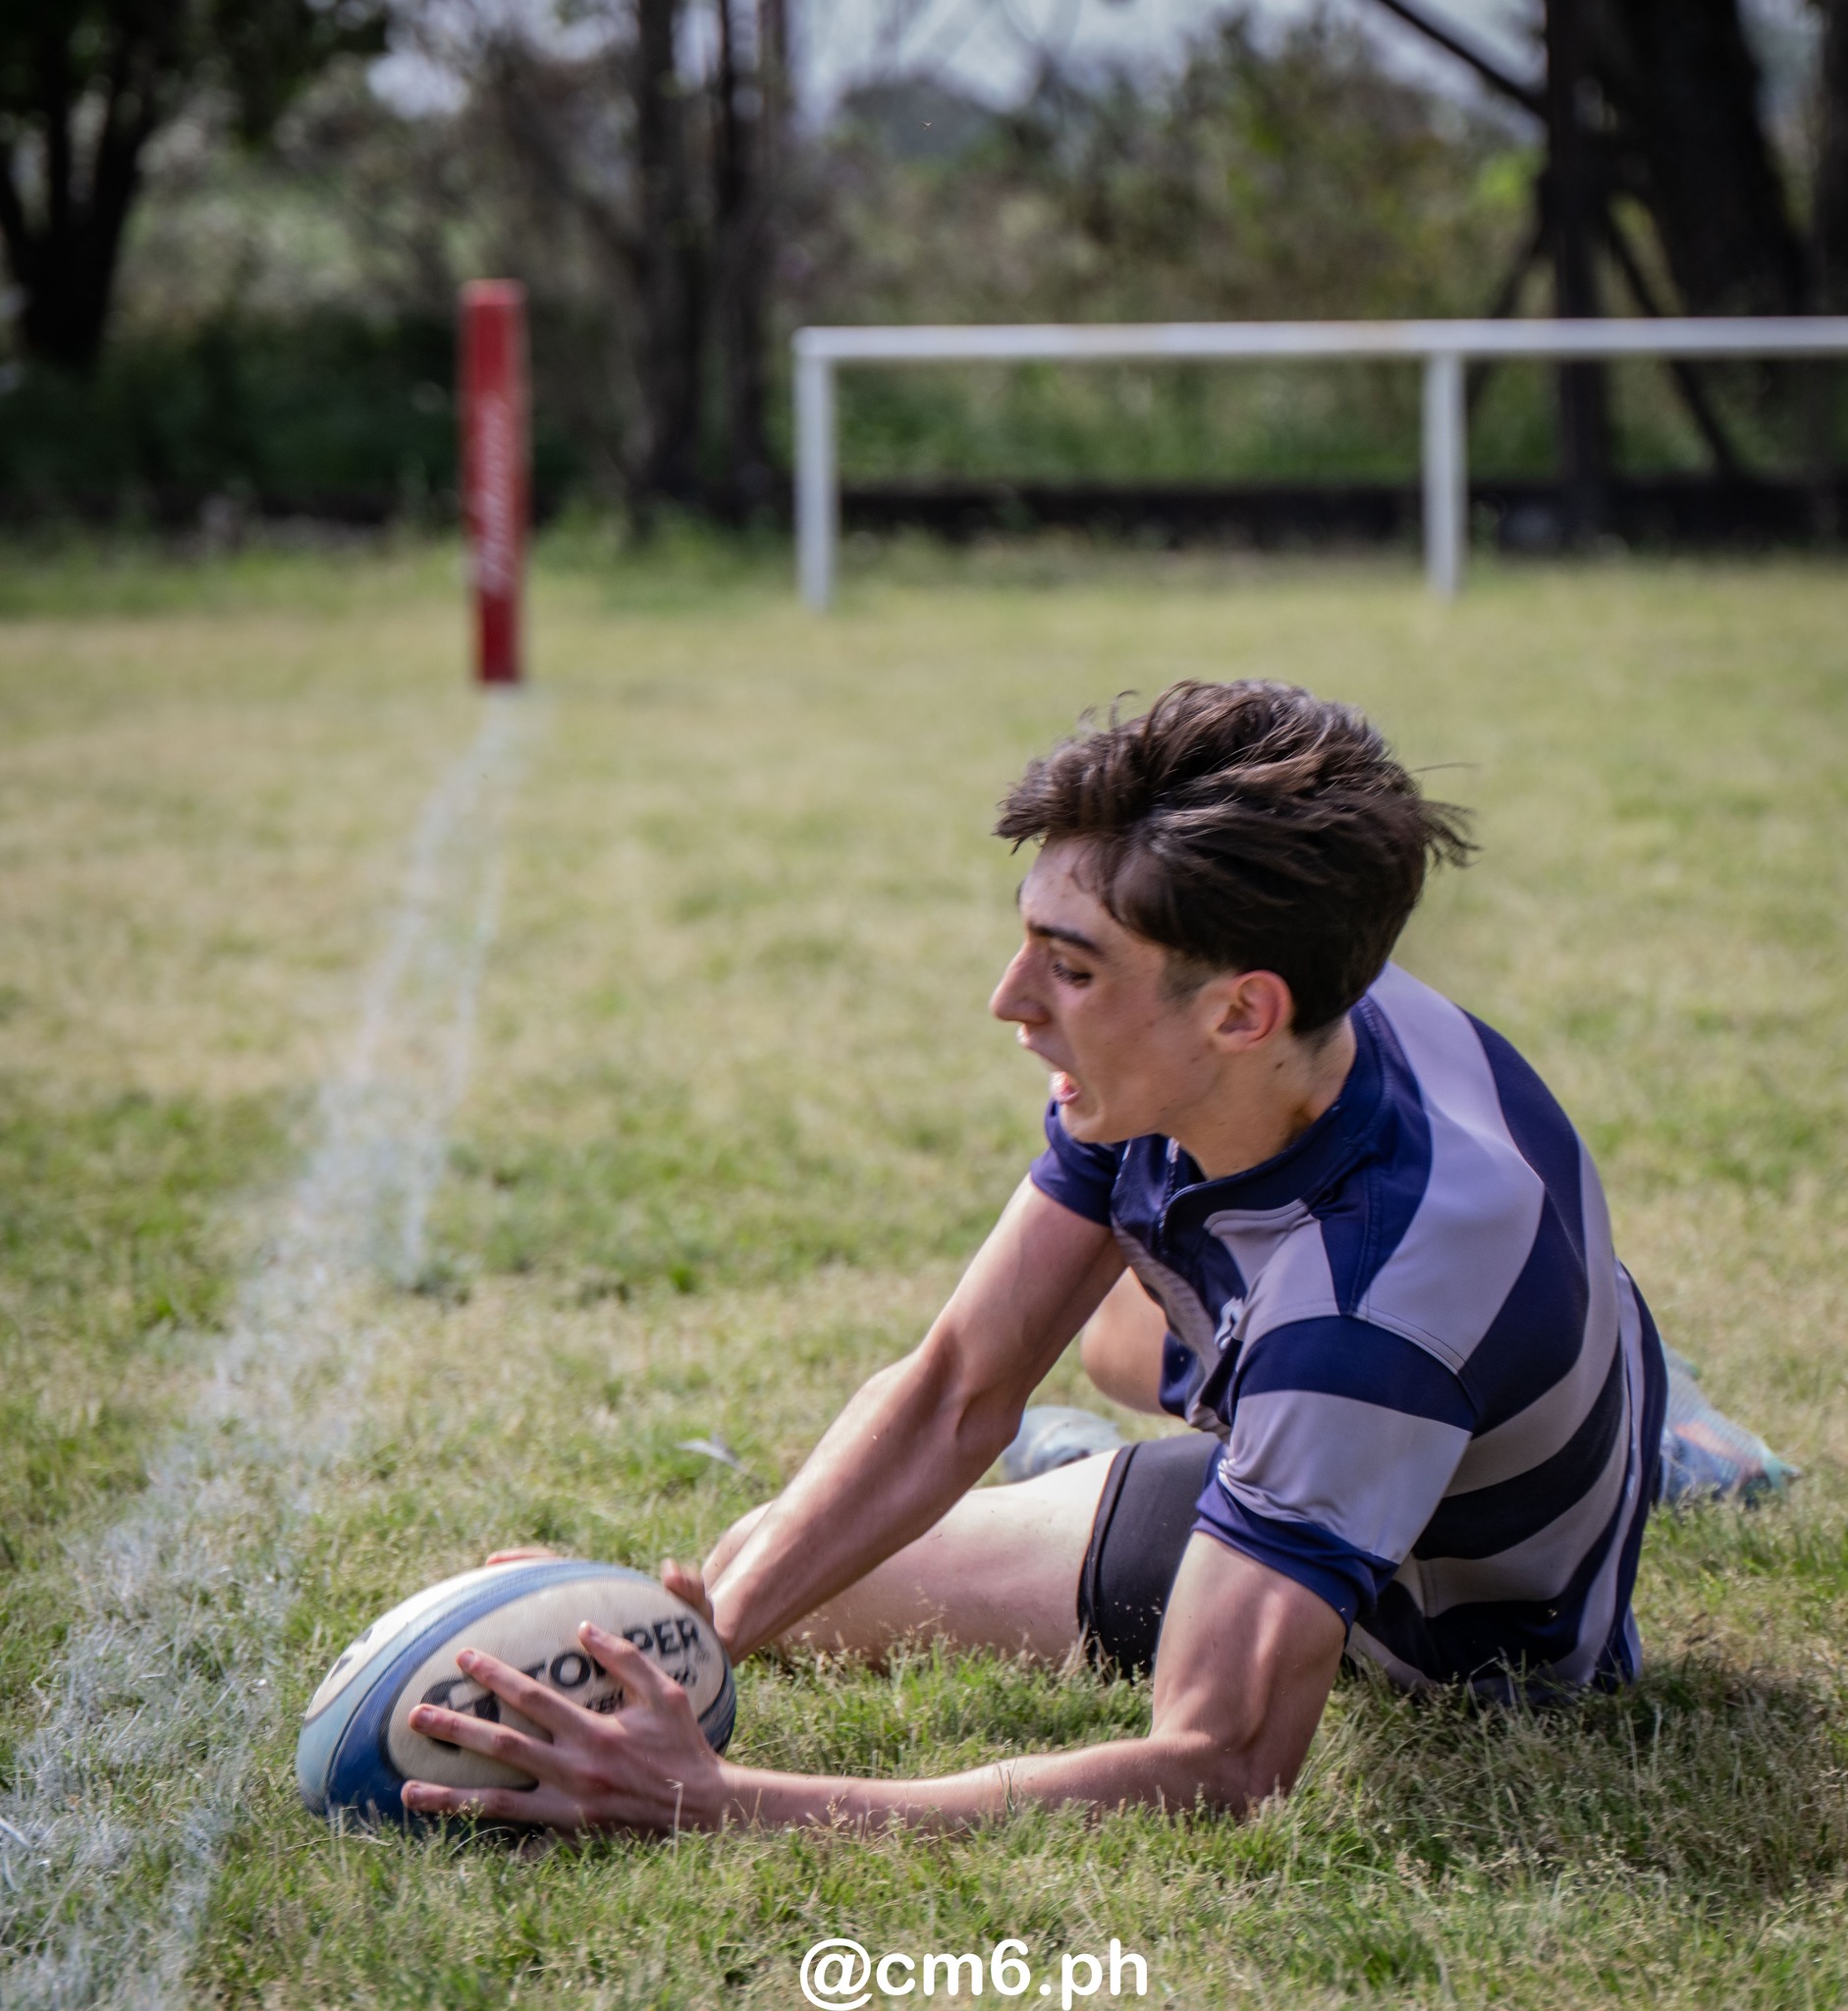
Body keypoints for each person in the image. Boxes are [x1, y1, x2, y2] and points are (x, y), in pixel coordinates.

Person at [401, 680, 1677, 1835]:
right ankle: (1460, 1408)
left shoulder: (1360, 1324)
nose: (1010, 1000)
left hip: (1447, 1627)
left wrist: (720, 1801)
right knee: (781, 1553)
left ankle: (1591, 1439)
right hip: (1360, 1364)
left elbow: (1218, 1762)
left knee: (1268, 1382)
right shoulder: (1251, 1029)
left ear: (1244, 1010)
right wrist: (680, 1640)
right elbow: (961, 1385)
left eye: (1069, 969)